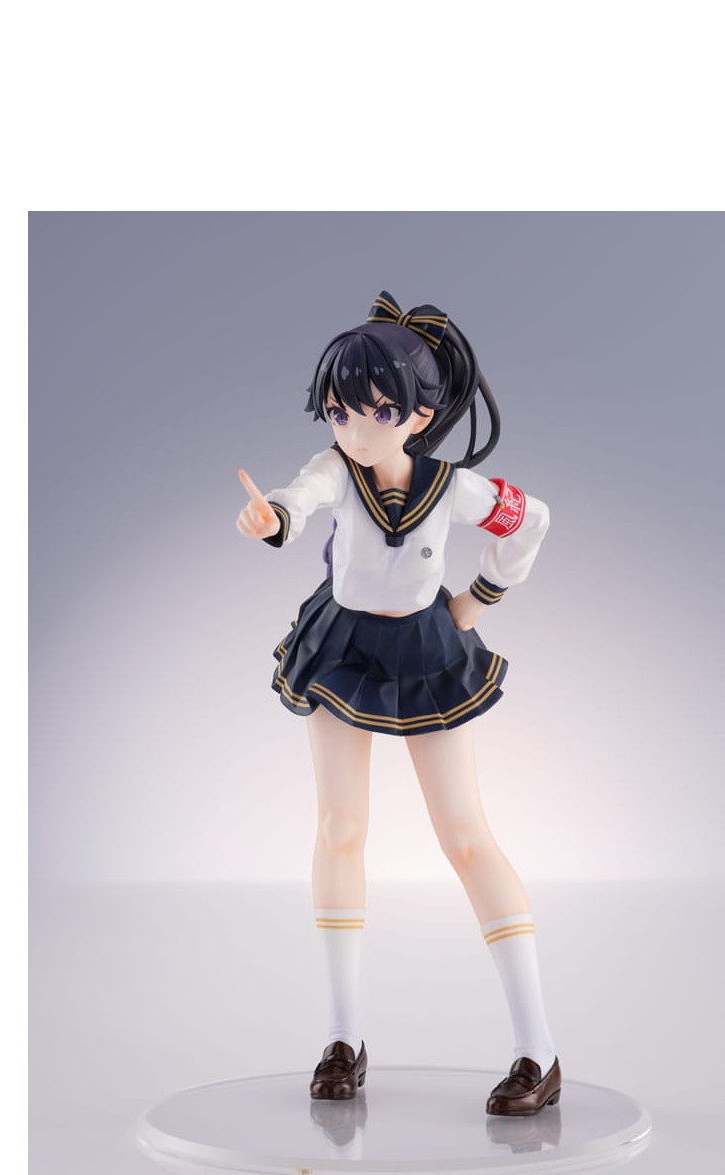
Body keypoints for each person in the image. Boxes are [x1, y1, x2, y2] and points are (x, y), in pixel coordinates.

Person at [235, 290, 560, 1115]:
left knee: (466, 837)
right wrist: (271, 520)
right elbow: (299, 500)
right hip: (342, 649)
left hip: (425, 652)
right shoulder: (333, 471)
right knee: (340, 829)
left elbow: (532, 520)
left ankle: (539, 1051)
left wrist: (479, 599)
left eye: (375, 411)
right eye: (339, 410)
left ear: (417, 416)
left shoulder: (454, 488)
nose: (353, 429)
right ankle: (342, 1039)